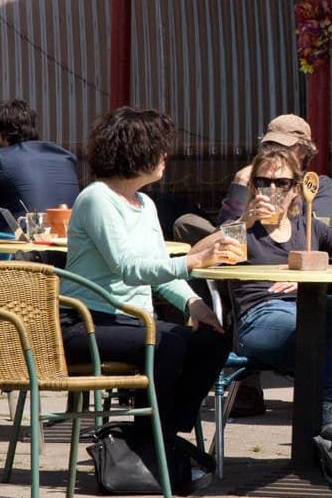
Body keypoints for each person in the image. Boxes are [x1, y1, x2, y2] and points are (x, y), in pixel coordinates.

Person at [60, 107, 240, 472]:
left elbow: (157, 268)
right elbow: (128, 267)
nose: (165, 156)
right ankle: (150, 440)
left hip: (129, 324)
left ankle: (163, 434)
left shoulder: (145, 204)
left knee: (213, 339)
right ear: (135, 152)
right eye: (159, 147)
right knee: (165, 342)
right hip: (85, 323)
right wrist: (192, 262)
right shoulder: (98, 199)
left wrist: (193, 303)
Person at [219, 147, 332, 435]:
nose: (272, 189)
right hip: (261, 318)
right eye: (263, 181)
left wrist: (314, 275)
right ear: (253, 186)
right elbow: (208, 252)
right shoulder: (243, 230)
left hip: (306, 313)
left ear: (295, 190)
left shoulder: (308, 228)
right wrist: (244, 221)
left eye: (282, 183)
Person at [218, 114, 332, 227]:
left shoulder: (319, 186)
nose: (276, 152)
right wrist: (240, 185)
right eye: (270, 146)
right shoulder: (255, 183)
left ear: (303, 151)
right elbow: (226, 236)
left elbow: (320, 234)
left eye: (283, 147)